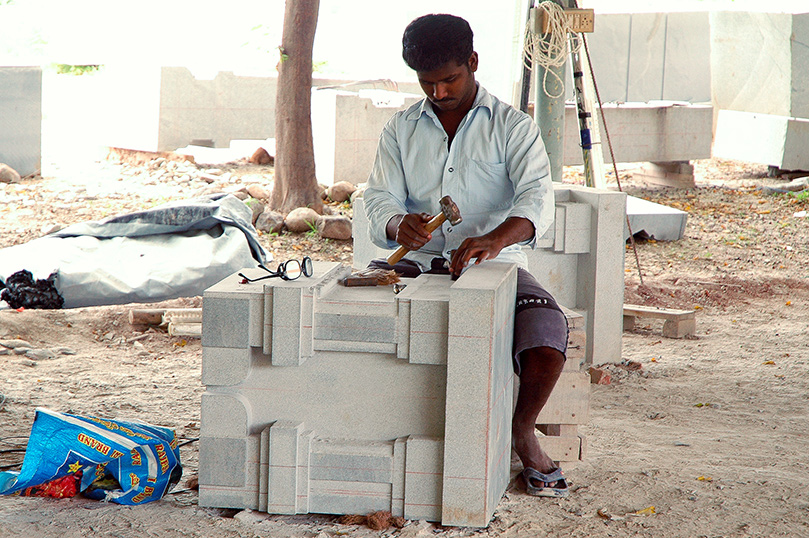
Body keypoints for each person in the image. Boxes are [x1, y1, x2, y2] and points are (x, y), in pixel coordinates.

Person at [363, 13, 570, 498]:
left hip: (494, 266)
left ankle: (523, 429)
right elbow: (378, 199)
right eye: (426, 83)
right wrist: (398, 223)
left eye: (449, 79)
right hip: (412, 264)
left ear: (473, 62)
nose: (437, 93)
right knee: (355, 319)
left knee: (546, 333)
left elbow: (537, 201)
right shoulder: (400, 129)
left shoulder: (513, 127)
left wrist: (495, 239)